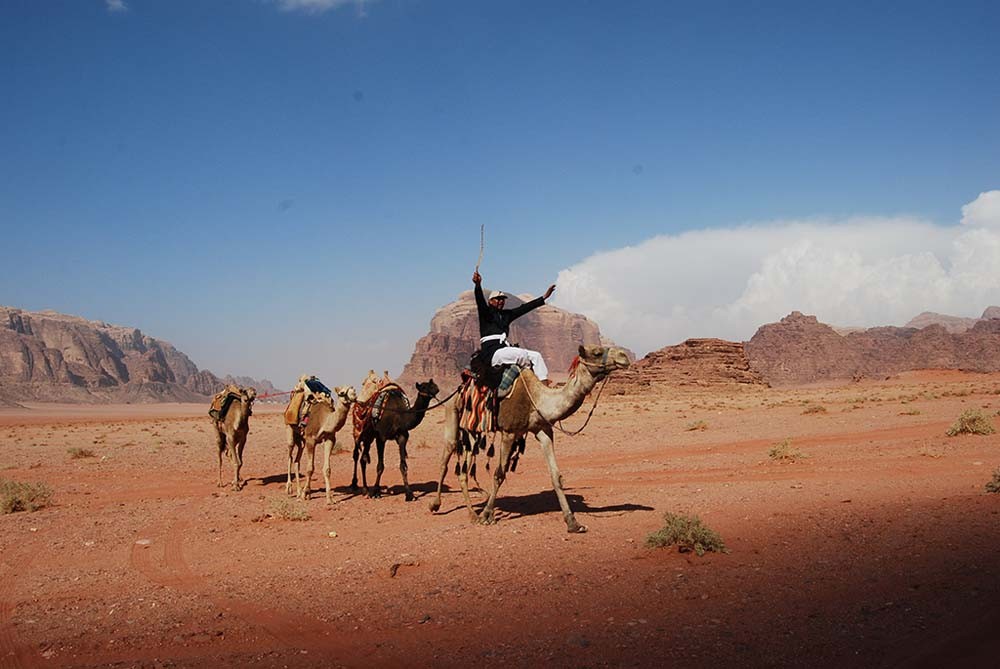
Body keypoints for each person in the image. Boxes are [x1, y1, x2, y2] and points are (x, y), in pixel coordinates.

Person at [472, 270, 556, 382]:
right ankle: (527, 381)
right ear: (491, 301)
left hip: (504, 350)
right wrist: (478, 285)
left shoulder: (506, 315)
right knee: (520, 354)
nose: (501, 301)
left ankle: (543, 387)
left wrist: (544, 297)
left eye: (503, 299)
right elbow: (480, 301)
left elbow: (524, 308)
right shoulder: (485, 313)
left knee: (537, 356)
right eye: (498, 299)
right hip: (492, 353)